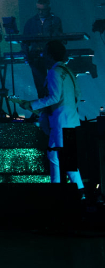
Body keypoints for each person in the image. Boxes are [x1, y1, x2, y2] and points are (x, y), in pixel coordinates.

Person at [14, 41, 84, 192]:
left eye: (45, 53)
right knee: (54, 155)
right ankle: (64, 190)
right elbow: (77, 95)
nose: (43, 56)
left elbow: (54, 97)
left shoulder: (54, 72)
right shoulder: (68, 72)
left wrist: (32, 104)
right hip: (69, 120)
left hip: (60, 123)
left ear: (50, 55)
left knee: (67, 161)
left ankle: (80, 193)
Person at [21, 0, 64, 99]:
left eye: (43, 10)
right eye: (38, 10)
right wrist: (27, 55)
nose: (40, 12)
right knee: (40, 85)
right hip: (36, 57)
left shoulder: (55, 20)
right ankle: (44, 105)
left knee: (54, 83)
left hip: (51, 56)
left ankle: (52, 104)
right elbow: (25, 41)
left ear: (48, 9)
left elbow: (59, 38)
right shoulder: (31, 22)